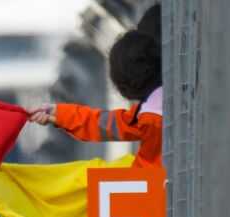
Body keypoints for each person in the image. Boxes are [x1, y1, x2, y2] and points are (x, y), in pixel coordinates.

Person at [27, 4, 162, 168]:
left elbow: (106, 125)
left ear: (130, 91)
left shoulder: (147, 118)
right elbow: (107, 124)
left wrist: (60, 115)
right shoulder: (150, 112)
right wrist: (60, 115)